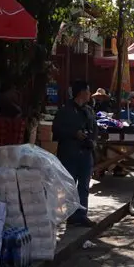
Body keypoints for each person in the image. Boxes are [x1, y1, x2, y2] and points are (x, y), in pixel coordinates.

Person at [52, 79, 97, 227]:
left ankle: (81, 214)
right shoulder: (65, 111)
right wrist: (74, 133)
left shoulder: (89, 111)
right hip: (69, 153)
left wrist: (94, 140)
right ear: (82, 92)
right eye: (88, 91)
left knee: (84, 186)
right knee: (69, 186)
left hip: (85, 153)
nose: (90, 94)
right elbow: (56, 131)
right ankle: (69, 214)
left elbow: (94, 129)